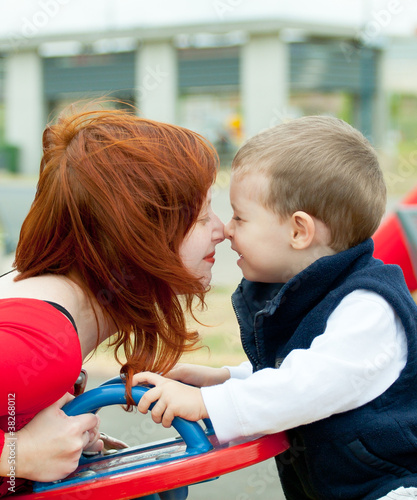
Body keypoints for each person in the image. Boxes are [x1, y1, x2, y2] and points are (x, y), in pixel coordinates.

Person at [133, 115, 417, 500]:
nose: (227, 229)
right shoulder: (317, 293)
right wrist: (224, 379)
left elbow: (307, 386)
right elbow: (295, 369)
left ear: (299, 231)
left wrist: (206, 404)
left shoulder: (369, 308)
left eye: (239, 216)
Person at [0, 104, 224, 496]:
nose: (222, 231)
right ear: (140, 229)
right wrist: (18, 455)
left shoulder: (51, 308)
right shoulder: (44, 342)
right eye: (203, 217)